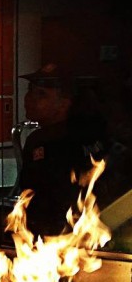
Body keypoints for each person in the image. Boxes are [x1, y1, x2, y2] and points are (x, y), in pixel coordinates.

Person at [18, 62, 108, 237]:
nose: (29, 98)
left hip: (63, 234)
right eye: (30, 91)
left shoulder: (50, 140)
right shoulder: (90, 132)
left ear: (64, 104)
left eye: (41, 94)